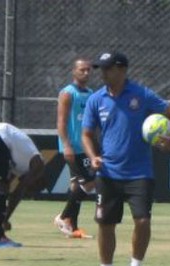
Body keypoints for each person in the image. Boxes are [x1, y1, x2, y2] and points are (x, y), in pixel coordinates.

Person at [81, 51, 170, 266]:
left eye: (107, 69)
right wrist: (93, 156)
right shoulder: (96, 99)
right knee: (105, 224)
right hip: (108, 172)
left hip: (139, 172)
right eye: (101, 69)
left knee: (143, 221)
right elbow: (86, 133)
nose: (103, 73)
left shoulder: (141, 94)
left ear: (122, 70)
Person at [0, 123, 45, 247]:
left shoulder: (18, 166)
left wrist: (2, 220)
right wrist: (5, 219)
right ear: (38, 180)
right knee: (0, 187)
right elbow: (18, 191)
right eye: (33, 189)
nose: (30, 192)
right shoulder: (38, 164)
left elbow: (10, 188)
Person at [54, 58, 95, 239]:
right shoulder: (68, 93)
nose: (85, 73)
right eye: (82, 70)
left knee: (76, 185)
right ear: (73, 71)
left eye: (88, 70)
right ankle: (63, 217)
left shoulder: (91, 93)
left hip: (85, 147)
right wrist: (66, 145)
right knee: (89, 182)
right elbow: (61, 122)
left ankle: (73, 227)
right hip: (73, 147)